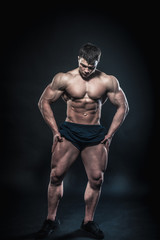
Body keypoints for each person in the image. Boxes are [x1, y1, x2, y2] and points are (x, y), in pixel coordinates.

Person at [36, 43, 129, 239]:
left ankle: (88, 221)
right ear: (78, 59)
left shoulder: (107, 81)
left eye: (91, 67)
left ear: (97, 63)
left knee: (96, 179)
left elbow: (123, 106)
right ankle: (50, 220)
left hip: (94, 132)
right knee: (56, 176)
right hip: (70, 131)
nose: (86, 70)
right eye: (83, 65)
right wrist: (55, 131)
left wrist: (110, 134)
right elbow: (43, 101)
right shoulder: (65, 78)